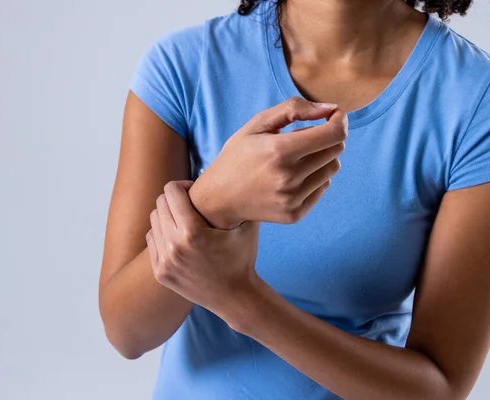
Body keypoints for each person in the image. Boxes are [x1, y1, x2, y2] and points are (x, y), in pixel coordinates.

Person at [99, 0, 490, 398]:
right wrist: (215, 202)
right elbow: (127, 332)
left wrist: (241, 300)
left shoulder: (474, 99)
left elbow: (440, 388)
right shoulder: (183, 67)